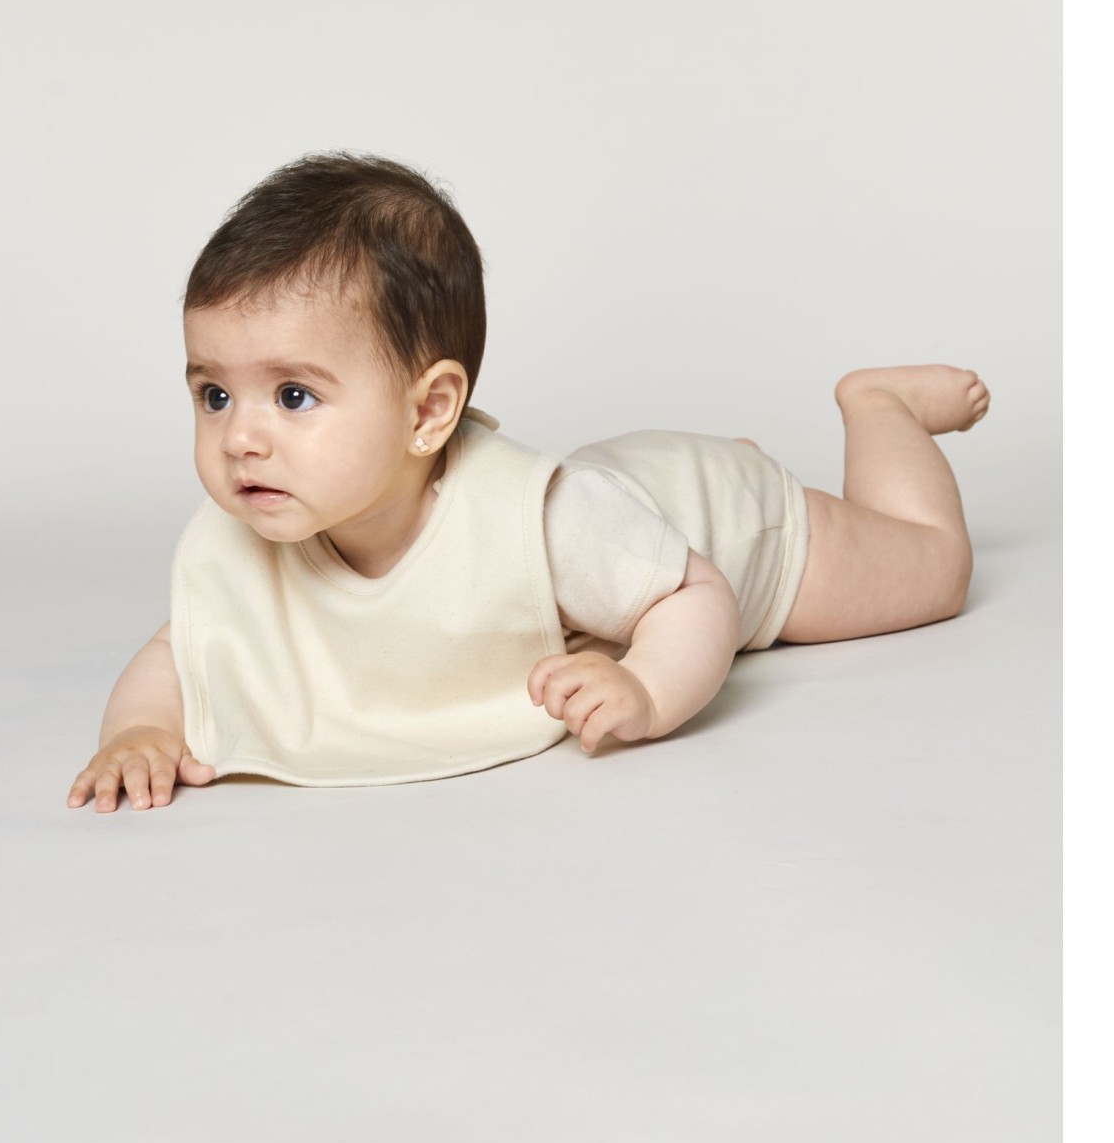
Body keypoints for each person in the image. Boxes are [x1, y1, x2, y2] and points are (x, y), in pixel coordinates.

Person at [67, 154, 989, 811]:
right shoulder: (248, 530)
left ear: (429, 412)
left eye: (294, 396)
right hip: (626, 512)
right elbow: (184, 646)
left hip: (723, 524)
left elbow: (692, 591)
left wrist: (648, 690)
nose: (240, 438)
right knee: (619, 547)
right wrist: (139, 731)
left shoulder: (539, 522)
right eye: (214, 395)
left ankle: (880, 408)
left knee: (932, 570)